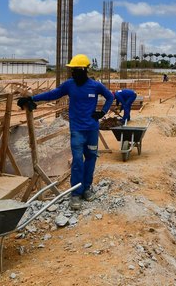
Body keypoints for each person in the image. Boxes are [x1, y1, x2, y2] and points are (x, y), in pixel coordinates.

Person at [17, 54, 113, 210]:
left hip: (92, 130)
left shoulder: (95, 86)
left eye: (75, 70)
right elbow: (53, 94)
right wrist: (32, 98)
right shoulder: (69, 85)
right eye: (72, 70)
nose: (73, 73)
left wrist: (102, 113)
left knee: (91, 158)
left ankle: (87, 188)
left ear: (83, 70)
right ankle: (76, 193)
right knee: (77, 161)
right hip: (77, 130)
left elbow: (110, 97)